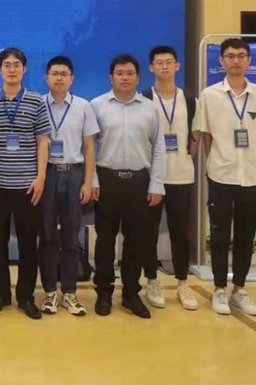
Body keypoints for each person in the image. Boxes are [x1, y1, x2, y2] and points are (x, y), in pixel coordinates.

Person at [195, 38, 256, 316]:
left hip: (251, 177)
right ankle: (219, 288)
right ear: (221, 61)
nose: (236, 60)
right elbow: (206, 135)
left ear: (249, 60)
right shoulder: (209, 95)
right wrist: (214, 164)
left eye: (241, 55)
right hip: (221, 175)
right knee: (219, 235)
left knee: (246, 235)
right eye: (230, 56)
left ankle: (239, 288)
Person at [90, 53, 165, 319]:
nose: (124, 77)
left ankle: (131, 294)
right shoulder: (97, 106)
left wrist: (157, 184)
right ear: (111, 77)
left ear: (138, 77)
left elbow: (159, 148)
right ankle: (103, 293)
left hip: (139, 182)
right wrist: (93, 179)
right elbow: (89, 147)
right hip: (106, 180)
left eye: (129, 73)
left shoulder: (149, 108)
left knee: (136, 241)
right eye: (119, 73)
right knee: (105, 241)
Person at [0, 47, 50, 320]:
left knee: (27, 246)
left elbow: (42, 141)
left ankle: (25, 297)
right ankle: (1, 294)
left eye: (16, 64)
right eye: (7, 65)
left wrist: (41, 177)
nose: (11, 69)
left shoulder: (36, 101)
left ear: (24, 69)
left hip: (28, 187)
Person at [38, 56, 99, 317]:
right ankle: (50, 292)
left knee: (72, 237)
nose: (59, 78)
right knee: (47, 236)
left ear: (72, 78)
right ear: (46, 78)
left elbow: (89, 147)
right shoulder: (38, 104)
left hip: (74, 175)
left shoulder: (84, 106)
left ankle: (70, 292)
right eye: (54, 73)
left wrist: (89, 181)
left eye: (64, 74)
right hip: (48, 175)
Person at [141, 45, 199, 311]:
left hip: (181, 176)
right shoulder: (144, 99)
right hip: (152, 178)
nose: (164, 66)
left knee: (180, 232)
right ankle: (151, 280)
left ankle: (183, 283)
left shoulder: (190, 100)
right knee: (148, 231)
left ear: (177, 66)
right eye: (159, 62)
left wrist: (185, 158)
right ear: (151, 67)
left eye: (169, 62)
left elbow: (195, 137)